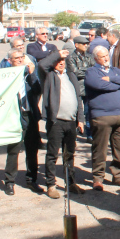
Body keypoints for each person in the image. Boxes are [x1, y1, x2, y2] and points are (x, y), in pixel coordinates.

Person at [37, 49, 85, 197]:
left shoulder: (70, 76)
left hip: (71, 122)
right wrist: (58, 54)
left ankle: (70, 183)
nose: (61, 63)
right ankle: (51, 185)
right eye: (58, 61)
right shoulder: (49, 76)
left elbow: (78, 99)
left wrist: (80, 119)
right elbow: (41, 65)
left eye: (63, 61)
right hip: (56, 122)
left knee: (69, 154)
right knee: (52, 154)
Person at [85, 46, 120, 191]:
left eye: (107, 55)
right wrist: (117, 85)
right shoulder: (91, 72)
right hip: (102, 116)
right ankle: (98, 178)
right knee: (100, 148)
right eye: (102, 56)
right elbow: (99, 84)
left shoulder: (114, 71)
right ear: (95, 59)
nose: (106, 58)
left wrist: (111, 78)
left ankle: (119, 176)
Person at [0, 47, 40, 195]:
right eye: (16, 58)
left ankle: (32, 180)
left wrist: (31, 74)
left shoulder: (27, 74)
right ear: (10, 61)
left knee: (32, 149)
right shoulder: (6, 75)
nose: (20, 60)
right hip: (15, 116)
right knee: (14, 150)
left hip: (30, 114)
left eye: (21, 57)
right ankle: (9, 182)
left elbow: (37, 90)